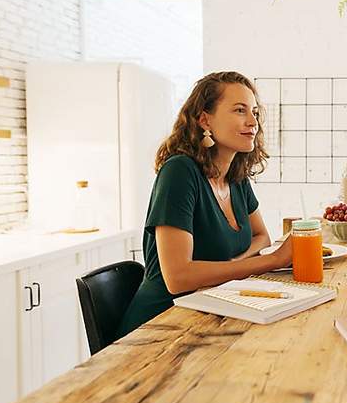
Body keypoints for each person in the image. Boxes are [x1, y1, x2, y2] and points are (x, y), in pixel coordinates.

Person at [116, 71, 293, 337]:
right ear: (204, 119)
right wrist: (274, 261)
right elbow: (179, 278)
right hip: (160, 327)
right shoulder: (179, 172)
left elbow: (262, 237)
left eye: (254, 112)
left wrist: (231, 263)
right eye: (239, 110)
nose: (252, 122)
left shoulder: (236, 177)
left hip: (210, 317)